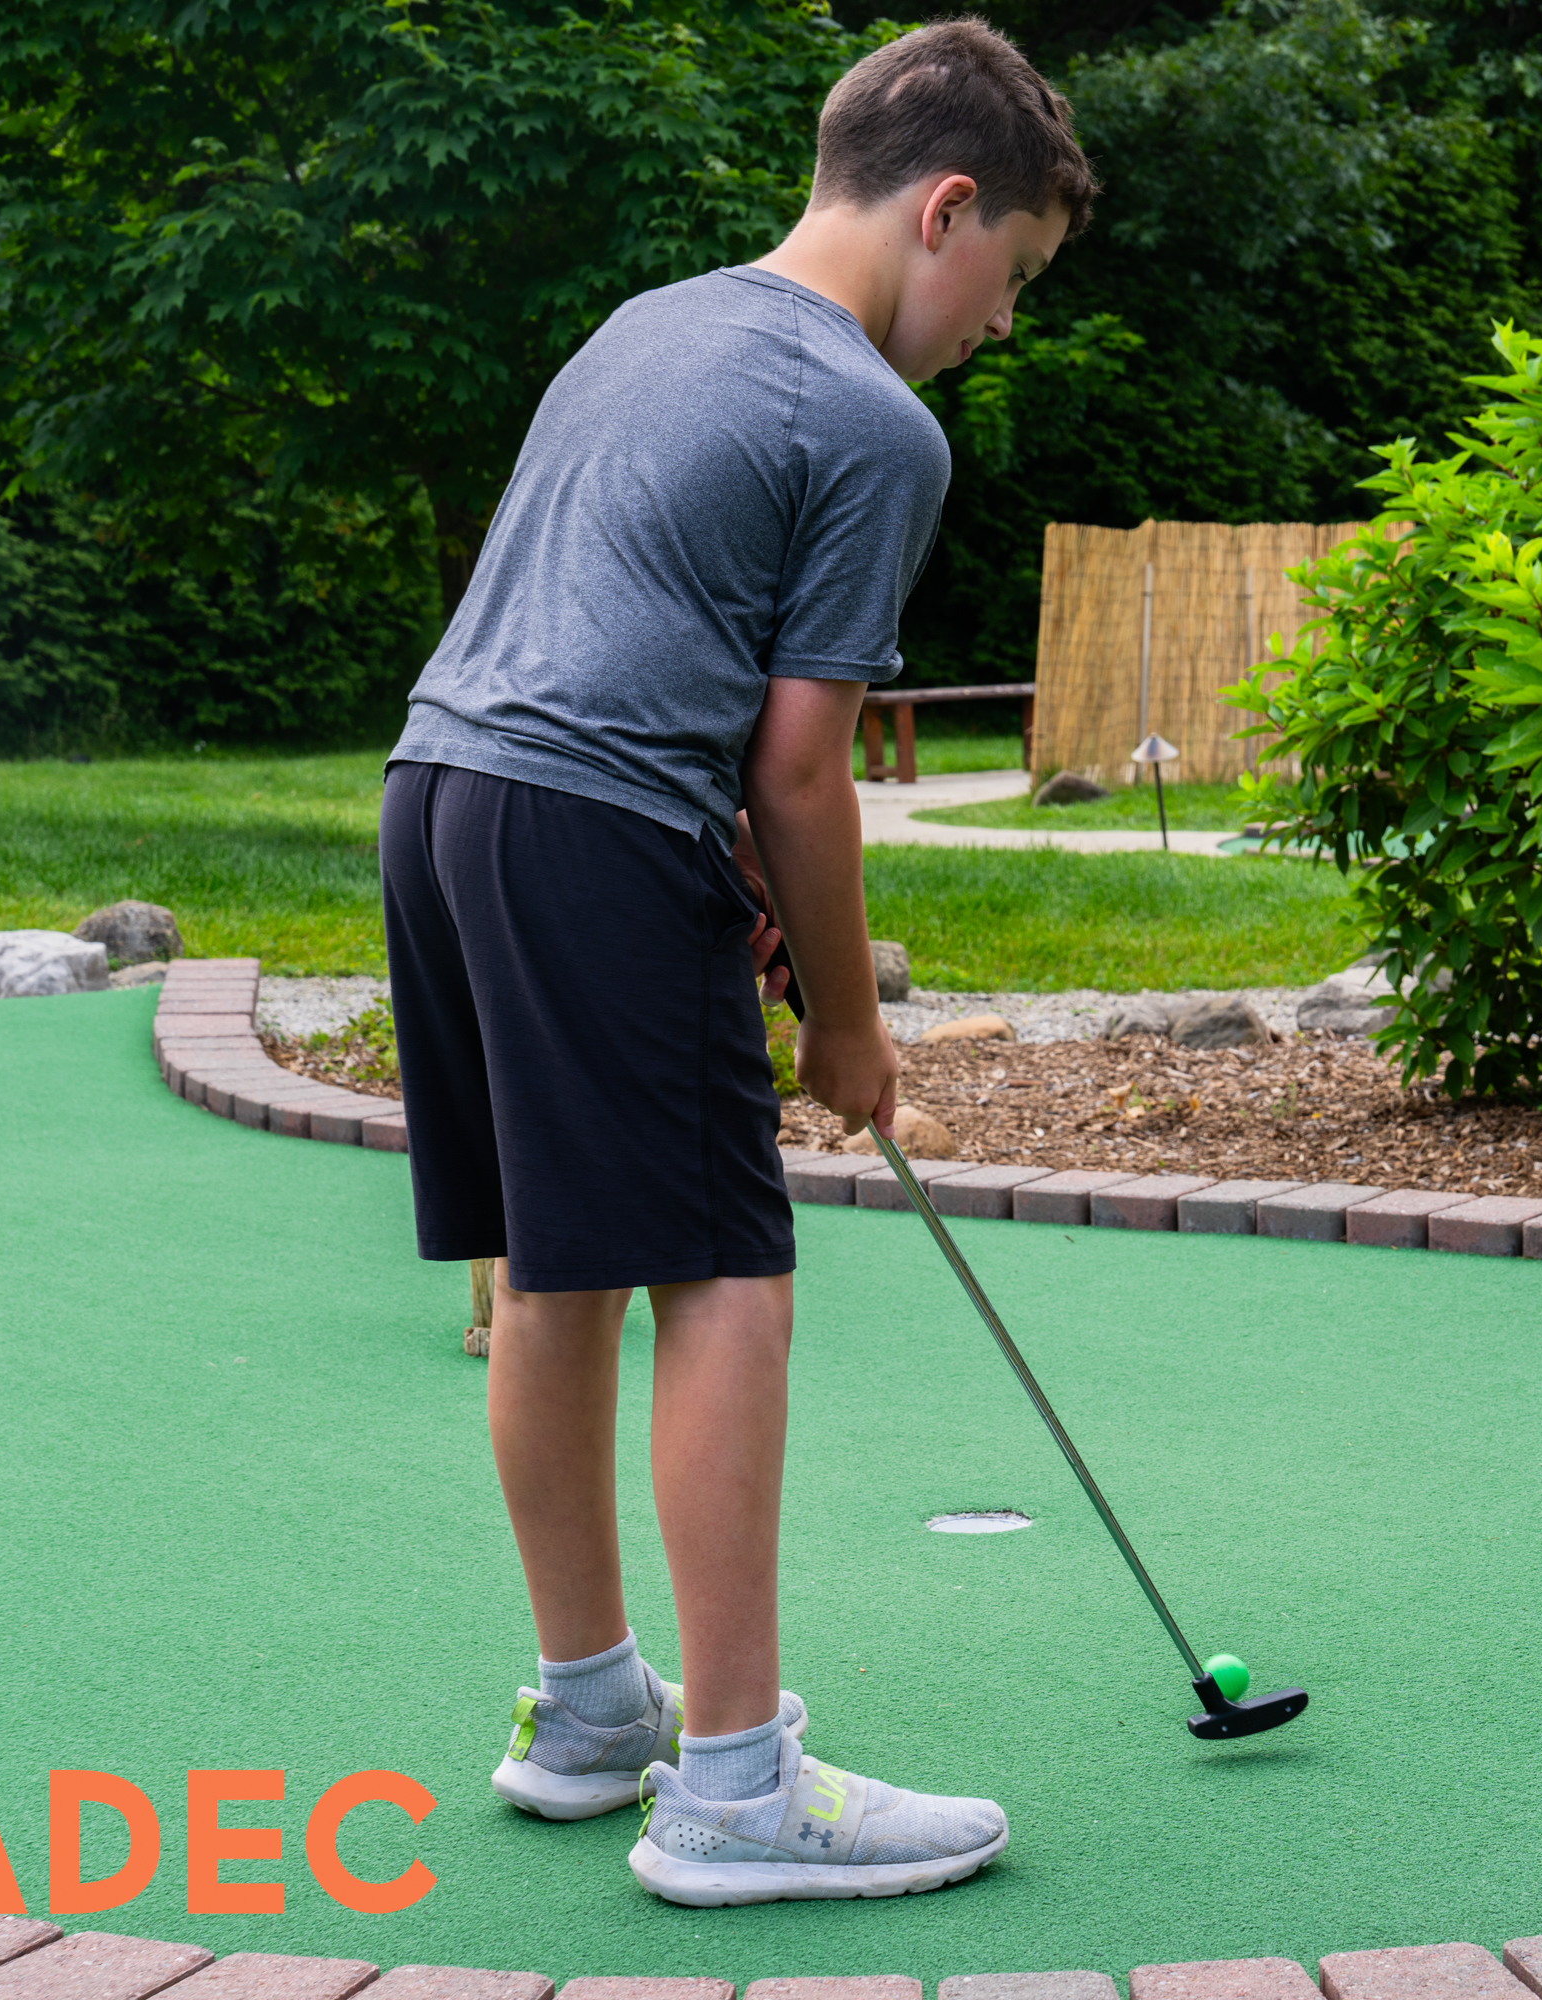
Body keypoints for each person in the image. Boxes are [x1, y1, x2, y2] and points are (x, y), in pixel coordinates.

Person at [379, 14, 1096, 1907]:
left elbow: (615, 626)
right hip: (595, 828)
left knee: (556, 1263)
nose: (1000, 323)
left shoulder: (652, 324)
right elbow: (800, 767)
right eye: (1015, 273)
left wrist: (717, 862)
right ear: (947, 208)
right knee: (723, 1275)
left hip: (444, 798)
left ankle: (588, 1714)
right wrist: (849, 1024)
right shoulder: (873, 422)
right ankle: (730, 1791)